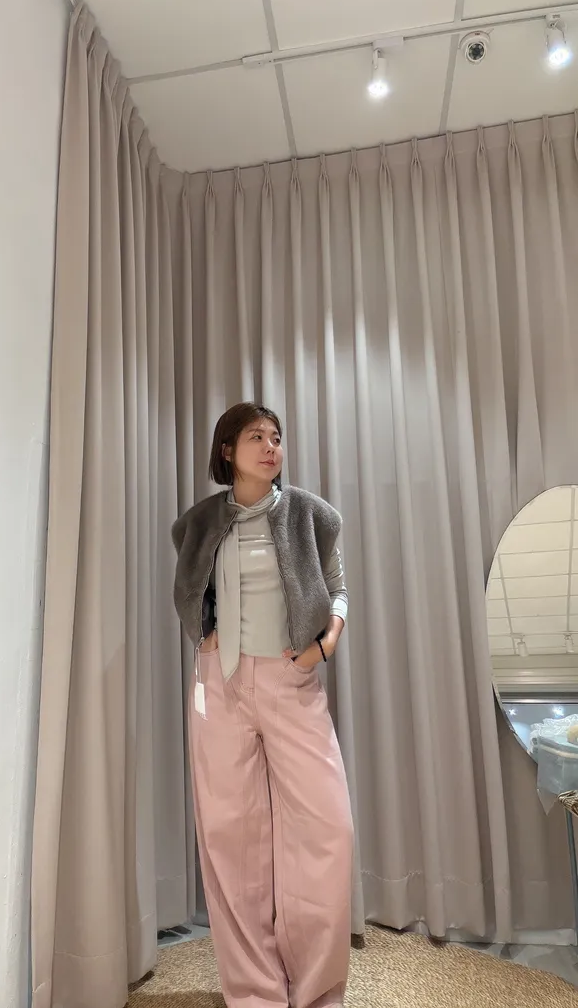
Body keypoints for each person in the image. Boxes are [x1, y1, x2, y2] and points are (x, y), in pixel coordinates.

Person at [171, 402, 354, 1008]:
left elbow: (338, 588)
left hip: (289, 681)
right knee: (231, 837)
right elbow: (191, 590)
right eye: (256, 437)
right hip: (219, 686)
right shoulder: (199, 523)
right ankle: (255, 993)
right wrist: (203, 633)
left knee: (326, 829)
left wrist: (325, 645)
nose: (271, 447)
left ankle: (316, 990)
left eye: (276, 437)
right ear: (227, 450)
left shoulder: (309, 514)